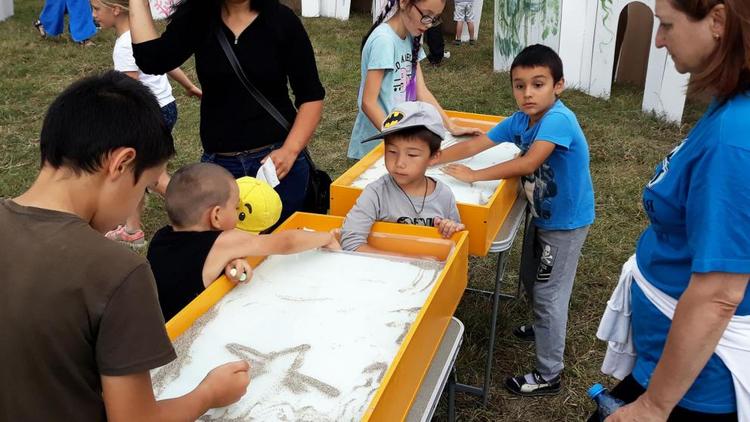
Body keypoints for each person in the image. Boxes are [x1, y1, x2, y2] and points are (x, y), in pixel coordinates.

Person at [0, 71, 249, 421]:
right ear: (120, 163)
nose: (142, 203)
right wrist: (208, 394)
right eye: (145, 187)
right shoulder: (118, 273)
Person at [594, 1, 750, 421]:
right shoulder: (730, 107)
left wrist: (653, 406)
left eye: (666, 25)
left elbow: (720, 293)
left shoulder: (734, 139)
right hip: (676, 361)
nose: (659, 40)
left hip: (699, 383)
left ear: (717, 21)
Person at [437, 44, 595, 396]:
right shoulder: (521, 120)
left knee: (549, 294)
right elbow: (477, 144)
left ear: (559, 85)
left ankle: (549, 374)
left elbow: (527, 163)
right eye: (519, 85)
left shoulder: (558, 119)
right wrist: (433, 158)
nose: (527, 93)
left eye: (538, 84)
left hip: (565, 223)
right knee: (530, 275)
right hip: (542, 214)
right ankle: (543, 328)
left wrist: (473, 177)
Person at [127, 0, 325, 223]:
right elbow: (152, 59)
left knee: (283, 247)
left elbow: (311, 96)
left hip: (276, 164)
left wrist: (290, 151)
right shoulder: (199, 20)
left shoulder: (281, 21)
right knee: (228, 251)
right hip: (221, 166)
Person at [148, 162, 342, 321]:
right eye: (235, 206)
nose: (237, 211)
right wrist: (325, 237)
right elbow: (286, 242)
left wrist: (231, 262)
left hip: (163, 330)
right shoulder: (225, 241)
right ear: (216, 216)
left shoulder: (159, 239)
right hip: (194, 330)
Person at [91, 0, 203, 247]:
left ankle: (202, 212)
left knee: (153, 176)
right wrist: (189, 85)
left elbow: (131, 91)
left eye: (96, 9)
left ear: (116, 10)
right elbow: (166, 62)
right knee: (136, 171)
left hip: (148, 115)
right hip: (166, 107)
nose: (93, 15)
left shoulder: (123, 45)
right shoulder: (141, 35)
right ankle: (132, 230)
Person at [347, 0, 479, 160]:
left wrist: (450, 125)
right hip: (373, 150)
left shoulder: (411, 37)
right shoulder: (383, 41)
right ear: (403, 3)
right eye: (426, 15)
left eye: (435, 17)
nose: (429, 24)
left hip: (398, 144)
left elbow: (420, 91)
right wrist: (399, 141)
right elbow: (368, 103)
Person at [341, 101, 465, 254]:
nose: (399, 163)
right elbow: (350, 242)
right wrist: (405, 261)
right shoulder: (376, 193)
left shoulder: (444, 195)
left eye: (412, 154)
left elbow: (456, 240)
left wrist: (450, 227)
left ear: (434, 156)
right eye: (392, 151)